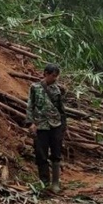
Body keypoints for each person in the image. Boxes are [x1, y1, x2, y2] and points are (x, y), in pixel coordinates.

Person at [26, 63, 66, 192]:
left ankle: (55, 183)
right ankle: (44, 183)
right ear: (46, 74)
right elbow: (30, 106)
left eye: (56, 76)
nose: (55, 78)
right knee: (41, 154)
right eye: (53, 76)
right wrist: (30, 123)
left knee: (56, 153)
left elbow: (61, 109)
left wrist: (64, 125)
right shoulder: (35, 87)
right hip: (41, 125)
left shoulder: (57, 89)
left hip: (55, 124)